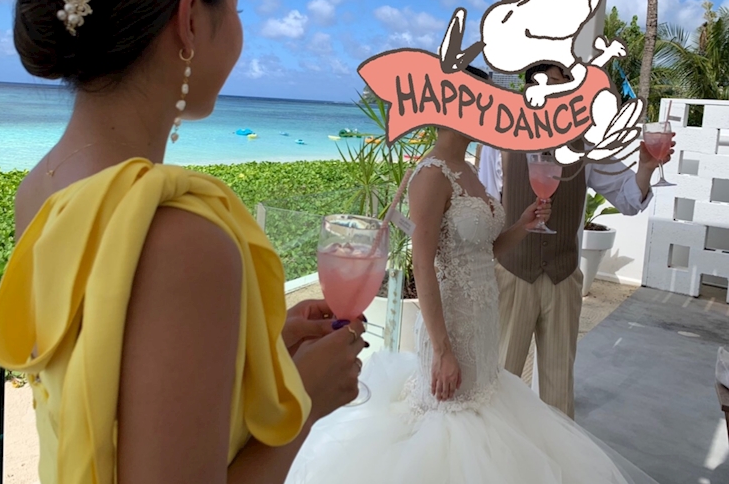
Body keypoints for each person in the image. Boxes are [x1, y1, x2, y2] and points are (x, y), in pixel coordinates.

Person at [0, 0, 366, 484]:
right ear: (190, 18)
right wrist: (306, 401)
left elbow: (108, 393)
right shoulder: (180, 238)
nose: (239, 33)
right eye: (235, 8)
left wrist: (256, 346)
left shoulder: (42, 188)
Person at [283, 65, 661, 484]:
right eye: (480, 102)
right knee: (450, 428)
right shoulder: (432, 173)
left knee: (493, 415)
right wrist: (443, 351)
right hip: (454, 328)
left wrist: (523, 225)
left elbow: (480, 251)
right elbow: (424, 264)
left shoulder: (467, 166)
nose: (488, 111)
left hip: (483, 324)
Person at [493, 63, 675, 419]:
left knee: (559, 388)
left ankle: (554, 453)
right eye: (548, 84)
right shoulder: (500, 143)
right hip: (512, 275)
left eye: (564, 86)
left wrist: (646, 167)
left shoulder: (586, 147)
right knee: (502, 379)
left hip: (563, 278)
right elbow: (487, 205)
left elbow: (628, 198)